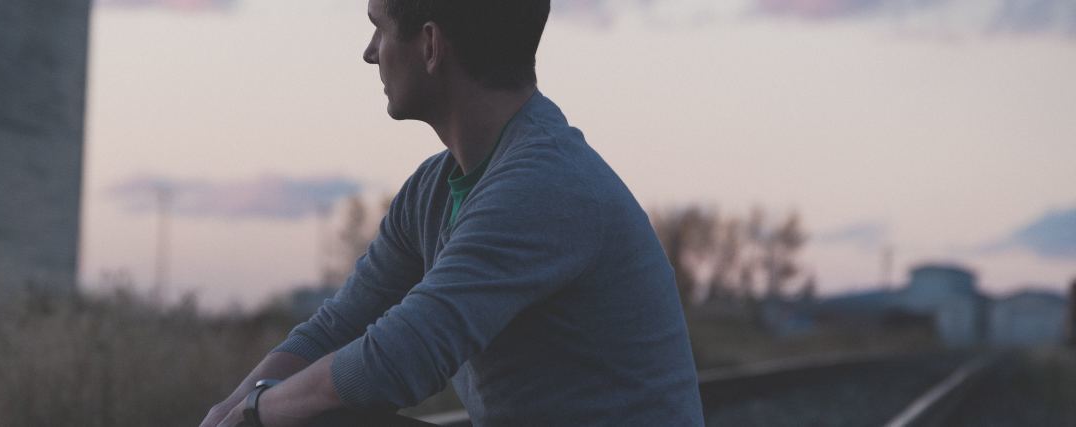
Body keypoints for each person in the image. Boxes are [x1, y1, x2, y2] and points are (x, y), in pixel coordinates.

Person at [199, 0, 703, 426]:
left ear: (430, 45)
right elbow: (338, 328)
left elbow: (400, 358)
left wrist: (259, 411)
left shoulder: (546, 185)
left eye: (379, 27)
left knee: (309, 415)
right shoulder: (433, 190)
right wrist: (229, 409)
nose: (369, 53)